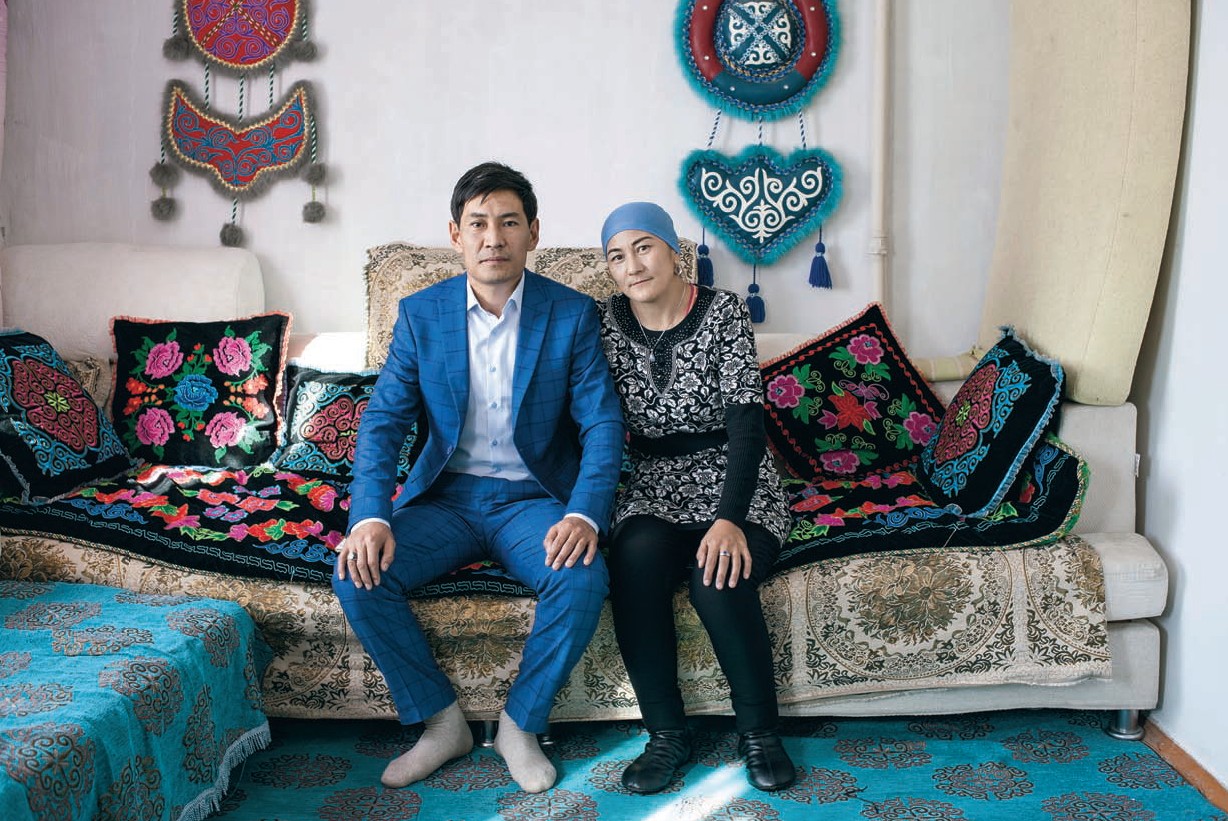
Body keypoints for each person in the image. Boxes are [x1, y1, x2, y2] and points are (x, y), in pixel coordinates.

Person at [334, 162, 624, 794]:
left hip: (532, 499)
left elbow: (602, 424)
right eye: (479, 224)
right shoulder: (421, 315)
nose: (494, 238)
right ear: (456, 235)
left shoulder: (572, 314)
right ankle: (442, 725)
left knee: (582, 577)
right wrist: (371, 516)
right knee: (356, 572)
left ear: (533, 233)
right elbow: (383, 423)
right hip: (447, 499)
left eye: (509, 223)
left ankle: (520, 725)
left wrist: (583, 513)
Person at [597, 202, 797, 793]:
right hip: (653, 483)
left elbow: (747, 426)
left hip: (733, 476)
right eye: (617, 256)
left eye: (643, 247)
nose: (633, 265)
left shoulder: (723, 311)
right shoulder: (602, 322)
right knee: (632, 564)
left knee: (718, 579)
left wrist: (729, 519)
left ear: (674, 252)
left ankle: (760, 734)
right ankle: (667, 735)